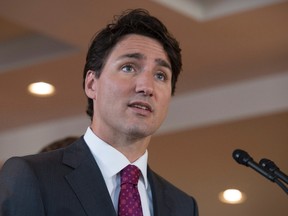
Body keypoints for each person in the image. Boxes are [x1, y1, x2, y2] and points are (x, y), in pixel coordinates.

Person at [0, 8, 198, 216]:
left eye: (160, 75)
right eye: (129, 67)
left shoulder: (182, 206)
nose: (146, 87)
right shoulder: (33, 176)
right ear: (92, 84)